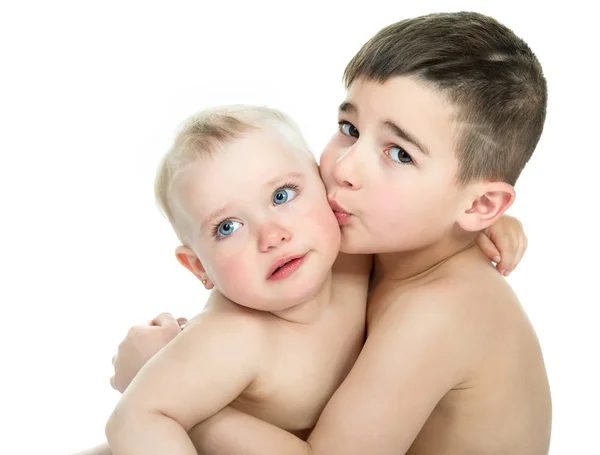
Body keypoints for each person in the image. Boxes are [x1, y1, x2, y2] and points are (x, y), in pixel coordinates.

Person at [178, 11, 552, 455]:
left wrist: (174, 406)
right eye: (349, 129)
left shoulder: (441, 311)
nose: (345, 167)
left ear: (479, 205)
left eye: (398, 153)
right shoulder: (384, 240)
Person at [76, 99, 525, 455]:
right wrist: (150, 386)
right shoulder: (230, 338)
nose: (272, 235)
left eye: (283, 195)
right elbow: (134, 417)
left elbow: (411, 218)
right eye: (227, 227)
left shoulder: (350, 260)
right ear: (198, 267)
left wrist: (477, 224)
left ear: (326, 190)